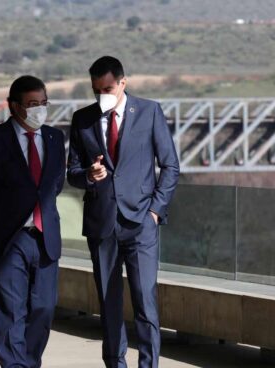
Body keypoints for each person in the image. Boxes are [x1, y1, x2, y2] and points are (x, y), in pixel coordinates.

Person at [67, 56, 180, 368]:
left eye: (107, 88)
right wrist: (89, 175)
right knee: (109, 302)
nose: (102, 94)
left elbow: (170, 165)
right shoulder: (83, 119)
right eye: (96, 90)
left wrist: (155, 212)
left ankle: (149, 364)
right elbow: (72, 172)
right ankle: (116, 364)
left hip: (141, 223)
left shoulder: (149, 111)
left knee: (145, 300)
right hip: (102, 224)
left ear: (122, 83)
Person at [0, 75, 66, 368]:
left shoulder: (55, 138)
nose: (39, 110)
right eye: (32, 104)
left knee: (43, 308)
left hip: (45, 237)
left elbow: (55, 184)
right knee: (11, 310)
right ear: (14, 106)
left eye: (43, 104)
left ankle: (29, 363)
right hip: (8, 240)